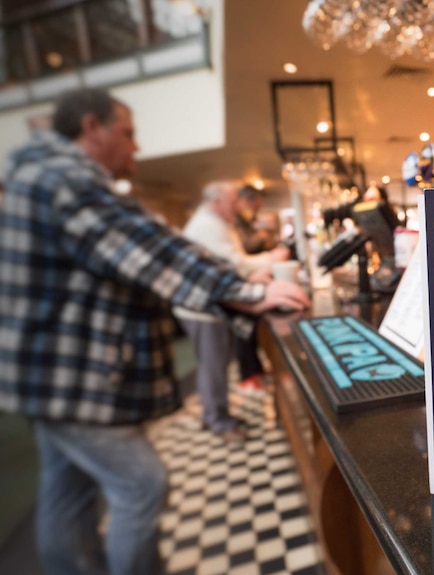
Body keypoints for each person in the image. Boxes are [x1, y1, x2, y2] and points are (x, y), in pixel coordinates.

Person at [0, 87, 309, 575]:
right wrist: (252, 294)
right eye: (127, 133)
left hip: (49, 373)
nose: (135, 146)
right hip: (71, 375)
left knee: (68, 495)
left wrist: (241, 285)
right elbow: (148, 249)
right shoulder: (62, 176)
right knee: (141, 486)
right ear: (91, 128)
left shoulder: (43, 172)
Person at [174, 180, 289, 435]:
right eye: (232, 202)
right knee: (214, 365)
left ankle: (213, 413)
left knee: (213, 364)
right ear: (216, 202)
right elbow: (231, 265)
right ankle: (218, 420)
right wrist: (269, 261)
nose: (237, 207)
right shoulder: (206, 226)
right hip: (203, 309)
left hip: (207, 305)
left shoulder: (215, 223)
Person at [232, 184, 282, 392]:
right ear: (245, 200)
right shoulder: (235, 221)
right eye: (255, 205)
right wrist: (261, 237)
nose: (256, 210)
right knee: (243, 331)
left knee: (252, 330)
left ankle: (256, 370)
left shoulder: (245, 221)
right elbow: (243, 251)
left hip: (251, 279)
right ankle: (248, 375)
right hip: (241, 282)